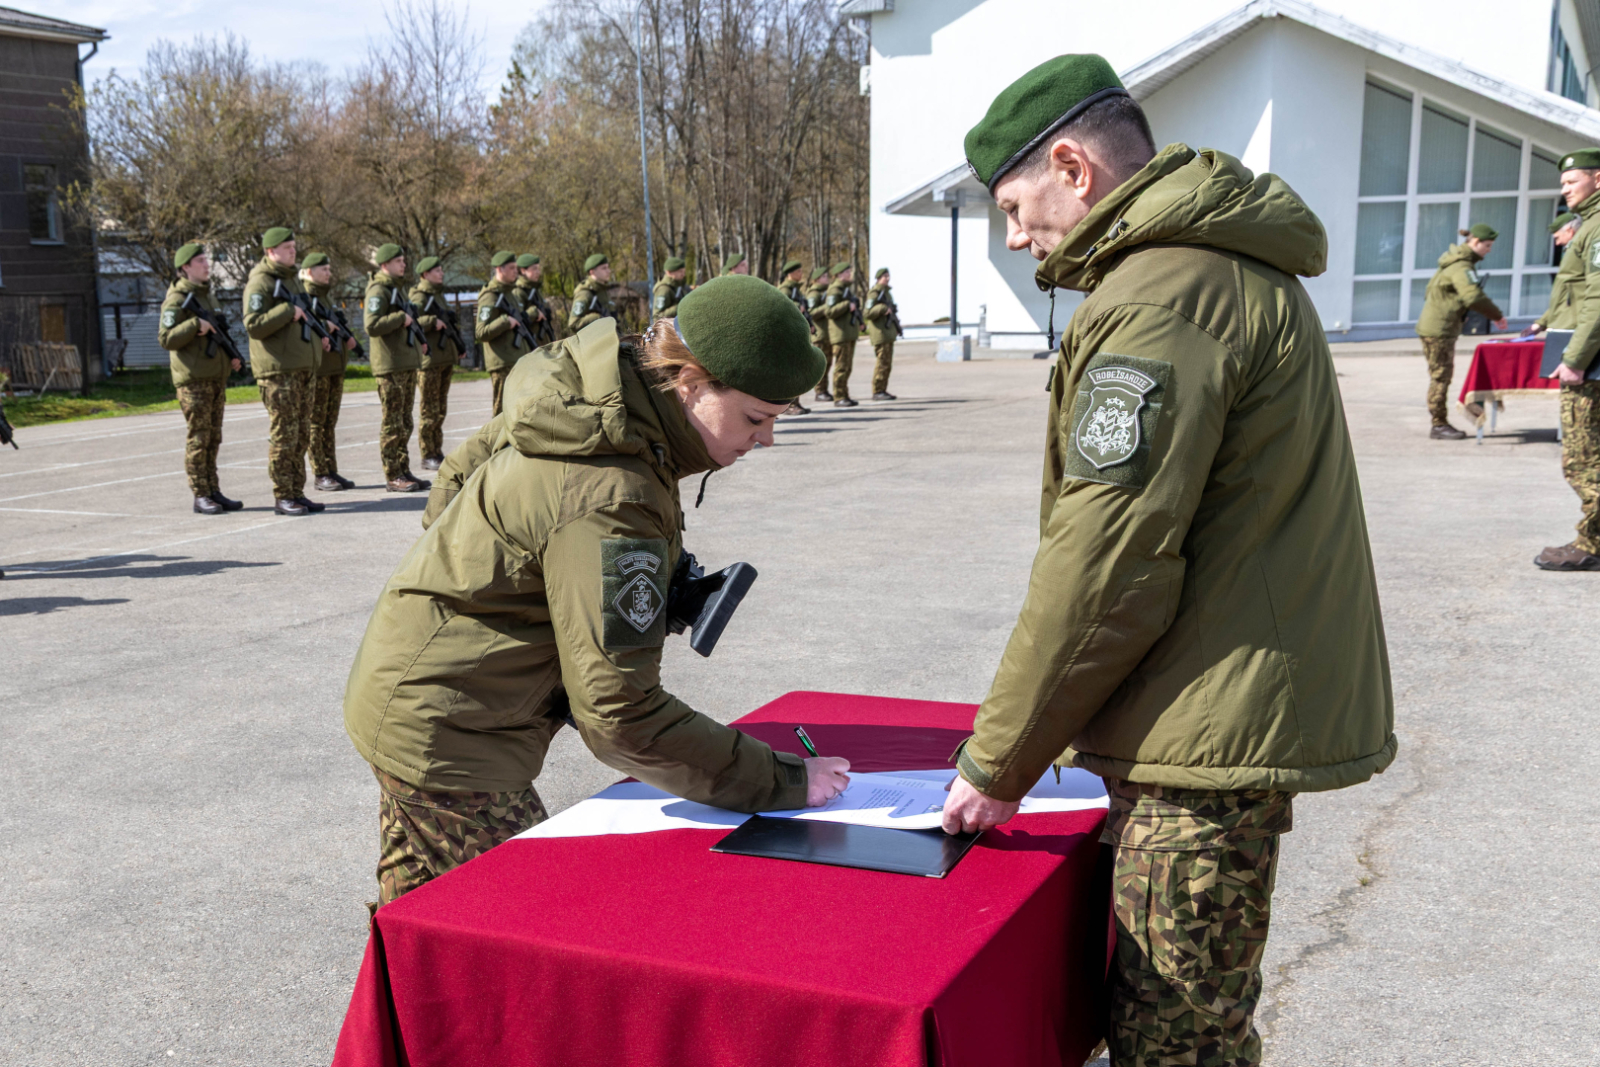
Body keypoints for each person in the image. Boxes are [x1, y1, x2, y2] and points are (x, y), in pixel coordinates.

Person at [940, 54, 1395, 1067]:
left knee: (1174, 1034)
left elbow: (1108, 560)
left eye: (1015, 207)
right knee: (1189, 1016)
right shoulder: (1213, 264)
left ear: (1073, 165)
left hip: (1207, 726)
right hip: (1222, 697)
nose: (1015, 238)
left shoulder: (1158, 296)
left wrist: (997, 760)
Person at [344, 274, 847, 906]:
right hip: (451, 737)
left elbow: (452, 486)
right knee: (519, 929)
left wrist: (530, 584)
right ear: (690, 385)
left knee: (421, 919)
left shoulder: (589, 404)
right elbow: (620, 716)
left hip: (412, 695)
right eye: (756, 417)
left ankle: (396, 1006)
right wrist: (783, 780)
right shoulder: (614, 489)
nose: (766, 439)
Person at [1535, 148, 1600, 571]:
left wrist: (1574, 358)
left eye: (1571, 181)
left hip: (1589, 360)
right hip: (1586, 351)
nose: (1564, 190)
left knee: (1584, 458)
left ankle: (1591, 545)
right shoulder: (1590, 225)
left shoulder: (1596, 228)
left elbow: (1598, 296)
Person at [243, 227, 326, 516]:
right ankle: (283, 495)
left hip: (301, 369)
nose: (293, 251)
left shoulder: (290, 281)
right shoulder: (261, 283)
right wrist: (286, 312)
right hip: (279, 373)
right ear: (270, 252)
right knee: (284, 435)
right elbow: (253, 323)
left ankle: (296, 491)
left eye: (294, 246)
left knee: (302, 433)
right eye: (287, 247)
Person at [157, 242, 243, 514]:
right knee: (199, 437)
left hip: (214, 376)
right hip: (193, 380)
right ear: (185, 268)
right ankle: (200, 494)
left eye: (206, 261)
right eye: (200, 262)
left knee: (213, 437)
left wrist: (231, 354)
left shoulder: (207, 295)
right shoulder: (177, 298)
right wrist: (195, 325)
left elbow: (218, 331)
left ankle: (213, 490)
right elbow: (166, 337)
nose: (207, 265)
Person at [1415, 223, 1509, 439]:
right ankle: (1438, 424)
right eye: (1487, 245)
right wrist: (1497, 316)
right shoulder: (1462, 266)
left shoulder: (1457, 261)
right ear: (1474, 242)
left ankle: (1438, 422)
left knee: (1440, 376)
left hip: (1438, 327)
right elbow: (1472, 296)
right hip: (1439, 329)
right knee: (1441, 377)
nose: (1489, 250)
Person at [363, 243, 430, 494]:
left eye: (403, 261)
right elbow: (371, 325)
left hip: (404, 364)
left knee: (405, 422)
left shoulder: (396, 290)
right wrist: (400, 318)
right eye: (398, 261)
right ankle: (393, 475)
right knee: (392, 423)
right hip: (390, 366)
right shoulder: (378, 290)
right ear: (384, 265)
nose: (403, 264)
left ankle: (403, 469)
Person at [301, 252, 356, 493]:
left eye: (328, 269)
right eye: (323, 269)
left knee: (329, 422)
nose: (328, 273)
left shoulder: (325, 297)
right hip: (321, 368)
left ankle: (330, 469)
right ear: (310, 271)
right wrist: (326, 327)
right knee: (317, 421)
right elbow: (307, 323)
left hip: (334, 367)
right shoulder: (307, 296)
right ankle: (320, 472)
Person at [411, 256, 462, 471]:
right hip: (429, 361)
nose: (441, 273)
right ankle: (427, 453)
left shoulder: (438, 297)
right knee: (429, 409)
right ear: (425, 274)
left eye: (441, 270)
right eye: (437, 271)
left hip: (444, 359)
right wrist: (432, 322)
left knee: (440, 408)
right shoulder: (419, 297)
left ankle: (437, 450)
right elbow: (412, 321)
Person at [476, 250, 527, 415]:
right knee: (502, 415)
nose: (516, 271)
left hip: (516, 360)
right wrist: (505, 322)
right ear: (499, 269)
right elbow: (481, 332)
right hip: (502, 363)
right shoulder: (490, 296)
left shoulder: (510, 294)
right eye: (512, 267)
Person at [1532, 212, 1582, 333]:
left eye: (1557, 238)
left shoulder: (1580, 253)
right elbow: (1562, 295)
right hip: (1566, 324)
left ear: (1570, 231)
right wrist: (1541, 322)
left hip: (1571, 326)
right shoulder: (1572, 252)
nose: (1557, 243)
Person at [776, 260, 811, 415]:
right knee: (790, 373)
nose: (801, 274)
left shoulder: (797, 290)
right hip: (788, 335)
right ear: (790, 273)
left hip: (797, 334)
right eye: (798, 271)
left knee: (797, 371)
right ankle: (788, 406)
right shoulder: (785, 289)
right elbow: (781, 309)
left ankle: (795, 402)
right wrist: (798, 307)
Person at [824, 262, 861, 407]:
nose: (849, 274)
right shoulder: (835, 290)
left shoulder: (845, 289)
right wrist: (847, 305)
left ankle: (844, 394)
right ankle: (839, 397)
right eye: (846, 272)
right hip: (840, 335)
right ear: (839, 275)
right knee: (841, 367)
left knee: (847, 367)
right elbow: (830, 311)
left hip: (848, 334)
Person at [863, 267, 901, 401]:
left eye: (888, 275)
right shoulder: (874, 293)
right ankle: (877, 390)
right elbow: (867, 313)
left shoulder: (886, 293)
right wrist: (882, 308)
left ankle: (882, 389)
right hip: (880, 333)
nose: (887, 278)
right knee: (882, 363)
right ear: (878, 278)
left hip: (887, 332)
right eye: (885, 276)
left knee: (887, 364)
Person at [806, 267, 834, 401]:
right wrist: (826, 308)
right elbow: (810, 312)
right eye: (824, 276)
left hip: (827, 334)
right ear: (817, 279)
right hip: (819, 334)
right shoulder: (814, 293)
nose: (827, 278)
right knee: (821, 365)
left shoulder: (826, 292)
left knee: (828, 364)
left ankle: (824, 389)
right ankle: (819, 391)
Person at [568, 253, 615, 332]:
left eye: (608, 267)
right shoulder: (585, 293)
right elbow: (574, 323)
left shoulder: (603, 290)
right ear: (592, 272)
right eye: (604, 268)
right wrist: (596, 317)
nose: (608, 271)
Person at [513, 253, 553, 345]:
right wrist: (533, 313)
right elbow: (518, 319)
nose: (538, 272)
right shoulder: (518, 291)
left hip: (542, 344)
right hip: (530, 346)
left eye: (538, 269)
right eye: (534, 269)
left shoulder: (535, 289)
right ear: (523, 271)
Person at [653, 256, 690, 320]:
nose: (683, 275)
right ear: (669, 272)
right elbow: (657, 317)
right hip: (669, 328)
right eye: (680, 271)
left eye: (684, 272)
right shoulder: (664, 289)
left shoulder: (677, 286)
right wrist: (680, 307)